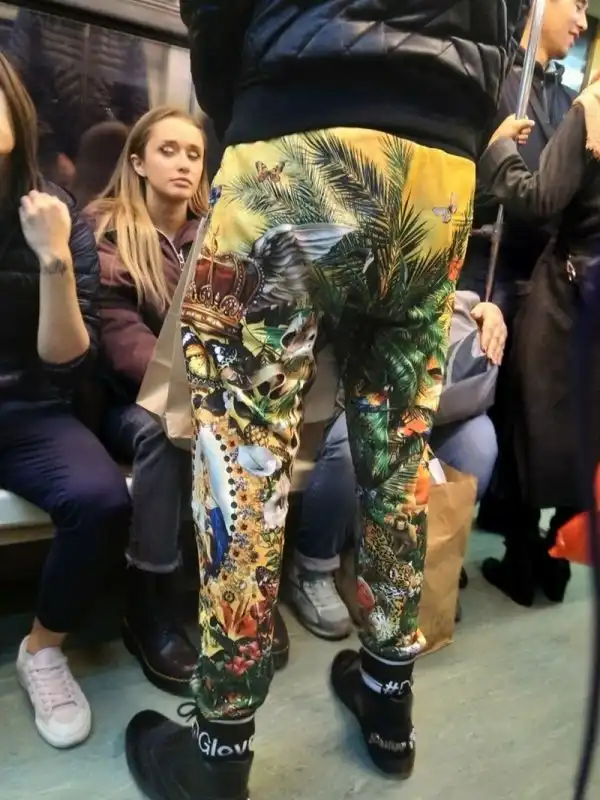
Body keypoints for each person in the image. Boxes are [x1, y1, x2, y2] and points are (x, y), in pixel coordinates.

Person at [124, 3, 525, 798]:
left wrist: (244, 111)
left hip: (290, 142)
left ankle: (220, 749)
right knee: (399, 456)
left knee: (240, 460)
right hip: (439, 171)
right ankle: (389, 704)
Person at [91, 106, 291, 695]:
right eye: (168, 151)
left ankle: (239, 583)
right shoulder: (108, 235)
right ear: (138, 163)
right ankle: (148, 597)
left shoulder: (219, 232)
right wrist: (202, 390)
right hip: (130, 399)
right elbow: (122, 339)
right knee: (163, 433)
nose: (183, 164)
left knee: (260, 425)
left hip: (210, 390)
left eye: (194, 154)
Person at [0, 54, 131, 748]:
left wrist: (51, 255)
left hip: (27, 405)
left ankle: (43, 649)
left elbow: (68, 360)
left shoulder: (56, 211)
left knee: (102, 500)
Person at [289, 297, 506, 640]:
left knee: (479, 442)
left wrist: (488, 309)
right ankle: (314, 566)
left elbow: (468, 287)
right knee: (351, 445)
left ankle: (426, 560)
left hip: (431, 385)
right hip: (359, 383)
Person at [473, 70, 600, 608]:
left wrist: (498, 150)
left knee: (528, 420)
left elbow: (541, 198)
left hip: (565, 299)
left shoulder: (592, 110)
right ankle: (557, 559)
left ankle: (522, 562)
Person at [463, 0, 588, 540]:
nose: (582, 21)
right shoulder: (493, 80)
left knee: (524, 411)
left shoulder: (564, 99)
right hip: (483, 266)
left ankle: (505, 516)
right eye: (575, 4)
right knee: (468, 401)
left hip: (538, 274)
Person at [6, 8, 149, 188]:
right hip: (43, 156)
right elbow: (15, 89)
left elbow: (139, 111)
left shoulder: (125, 22)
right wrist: (49, 153)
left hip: (103, 165)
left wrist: (114, 161)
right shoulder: (38, 13)